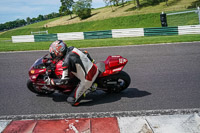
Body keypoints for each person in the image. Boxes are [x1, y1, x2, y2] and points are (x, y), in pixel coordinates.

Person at [45, 40, 99, 106]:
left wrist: (50, 81)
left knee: (71, 101)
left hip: (88, 78)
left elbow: (63, 81)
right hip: (93, 66)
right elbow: (85, 53)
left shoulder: (66, 63)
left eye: (53, 54)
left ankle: (88, 89)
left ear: (58, 52)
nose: (53, 56)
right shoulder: (72, 48)